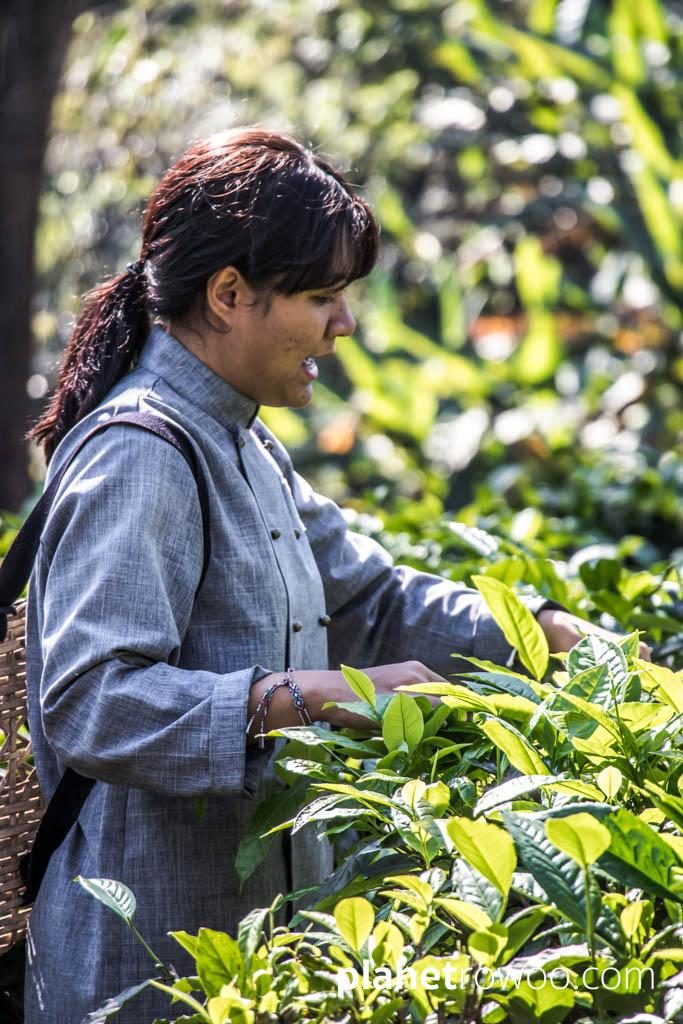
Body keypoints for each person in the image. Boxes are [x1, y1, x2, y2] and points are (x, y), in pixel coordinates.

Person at [24, 127, 645, 1023]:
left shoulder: (241, 440)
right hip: (144, 970)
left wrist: (546, 635)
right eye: (321, 297)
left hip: (257, 961)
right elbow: (91, 702)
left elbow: (372, 600)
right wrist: (312, 698)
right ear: (228, 295)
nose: (344, 324)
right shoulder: (143, 455)